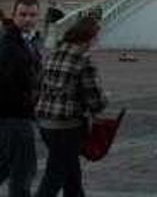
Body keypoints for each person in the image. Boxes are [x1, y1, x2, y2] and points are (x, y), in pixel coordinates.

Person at [0, 0, 42, 197]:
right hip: (13, 116)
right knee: (23, 171)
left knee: (0, 168)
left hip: (13, 114)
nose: (28, 19)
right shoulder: (8, 43)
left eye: (32, 15)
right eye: (23, 14)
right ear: (13, 16)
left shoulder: (25, 40)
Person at [35, 15, 107, 197]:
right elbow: (95, 101)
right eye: (95, 37)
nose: (95, 42)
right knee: (54, 177)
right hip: (67, 126)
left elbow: (40, 84)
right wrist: (105, 98)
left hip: (45, 122)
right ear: (88, 37)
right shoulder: (83, 59)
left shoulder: (53, 53)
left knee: (72, 176)